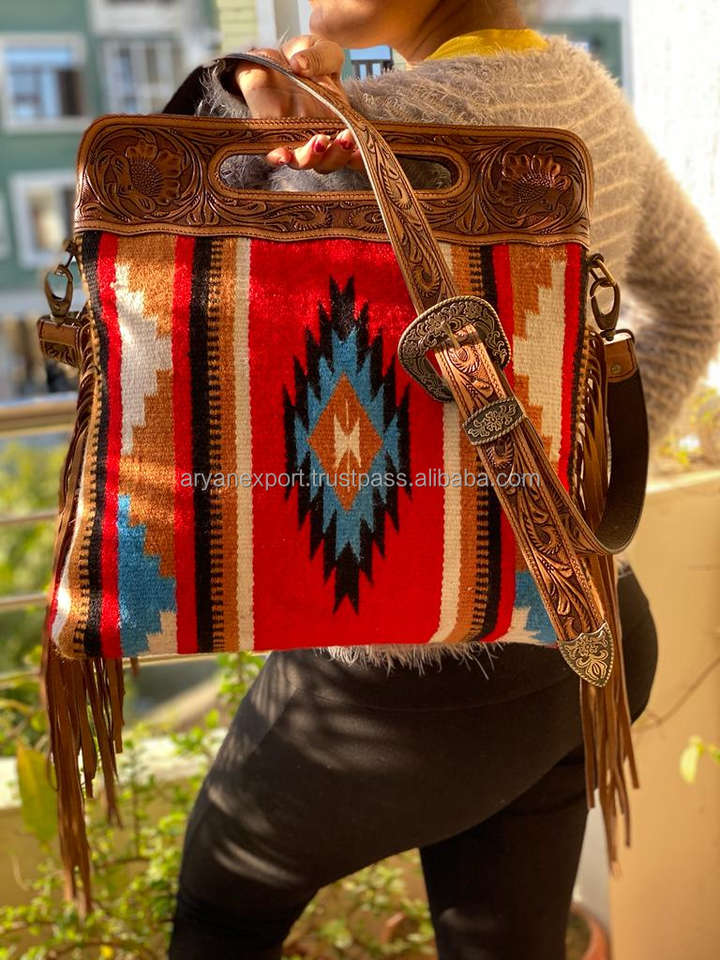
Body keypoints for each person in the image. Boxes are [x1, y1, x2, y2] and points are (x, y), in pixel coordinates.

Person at [169, 2, 720, 957]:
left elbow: (179, 303)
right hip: (587, 628)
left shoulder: (355, 134)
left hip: (410, 676)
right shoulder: (583, 90)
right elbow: (697, 301)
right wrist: (570, 495)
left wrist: (251, 117)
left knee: (221, 910)